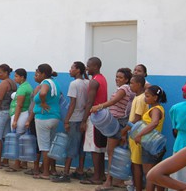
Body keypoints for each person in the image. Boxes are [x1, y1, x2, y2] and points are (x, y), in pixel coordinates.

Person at [91, 67, 134, 190]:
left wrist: (99, 106)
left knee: (111, 153)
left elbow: (114, 101)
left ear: (126, 79)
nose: (117, 79)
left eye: (120, 77)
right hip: (121, 122)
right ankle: (118, 180)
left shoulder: (124, 88)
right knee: (120, 153)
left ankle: (108, 182)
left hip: (117, 123)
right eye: (116, 76)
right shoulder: (127, 89)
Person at [52, 61, 89, 183]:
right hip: (84, 118)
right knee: (80, 146)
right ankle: (80, 170)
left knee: (71, 146)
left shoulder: (74, 84)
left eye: (72, 68)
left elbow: (72, 104)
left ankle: (66, 173)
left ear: (78, 70)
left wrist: (67, 120)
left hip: (75, 118)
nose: (70, 70)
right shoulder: (87, 82)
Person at [133, 85, 167, 191]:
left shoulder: (155, 110)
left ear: (155, 98)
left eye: (147, 96)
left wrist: (139, 135)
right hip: (156, 145)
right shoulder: (157, 108)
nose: (145, 98)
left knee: (149, 175)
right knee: (157, 174)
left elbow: (154, 123)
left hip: (151, 145)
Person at [81, 57, 107, 185]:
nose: (87, 68)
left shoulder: (94, 82)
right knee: (100, 147)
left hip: (94, 116)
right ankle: (101, 175)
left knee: (94, 147)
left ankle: (96, 177)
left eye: (89, 66)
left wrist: (83, 120)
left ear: (95, 67)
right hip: (102, 117)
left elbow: (90, 102)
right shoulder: (101, 79)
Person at [32, 63, 61, 180]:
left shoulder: (45, 83)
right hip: (54, 117)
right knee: (50, 145)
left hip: (43, 118)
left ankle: (45, 172)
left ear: (43, 74)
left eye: (38, 73)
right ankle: (49, 168)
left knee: (44, 146)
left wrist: (42, 102)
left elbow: (43, 93)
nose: (37, 76)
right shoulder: (55, 83)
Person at [121, 75, 149, 191]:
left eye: (132, 83)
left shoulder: (141, 99)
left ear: (139, 85)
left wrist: (124, 130)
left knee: (137, 164)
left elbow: (137, 118)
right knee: (134, 162)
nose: (130, 85)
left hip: (137, 134)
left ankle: (138, 188)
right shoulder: (137, 98)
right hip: (134, 134)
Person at [6, 68, 33, 172]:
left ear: (22, 77)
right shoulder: (27, 86)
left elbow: (19, 105)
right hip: (24, 114)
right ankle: (23, 163)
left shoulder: (22, 88)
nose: (15, 78)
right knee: (22, 139)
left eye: (16, 76)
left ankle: (17, 164)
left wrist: (15, 120)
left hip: (21, 115)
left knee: (17, 139)